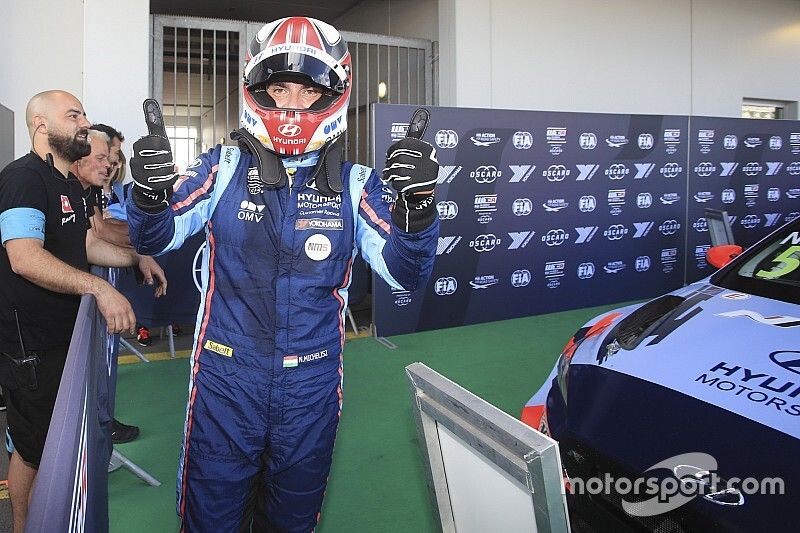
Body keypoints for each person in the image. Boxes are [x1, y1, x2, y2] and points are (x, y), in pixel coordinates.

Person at [127, 16, 439, 532]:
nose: (292, 103)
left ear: (332, 94)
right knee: (211, 518)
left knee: (293, 519)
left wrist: (419, 210)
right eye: (279, 87)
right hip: (227, 377)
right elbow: (154, 238)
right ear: (257, 91)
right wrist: (148, 194)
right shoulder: (222, 165)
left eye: (307, 88)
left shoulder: (357, 182)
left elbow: (406, 273)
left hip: (312, 383)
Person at [0, 90, 139, 533]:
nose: (86, 122)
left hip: (64, 336)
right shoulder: (23, 178)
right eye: (74, 114)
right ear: (41, 126)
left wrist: (139, 259)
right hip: (30, 343)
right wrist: (99, 287)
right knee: (34, 449)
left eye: (85, 113)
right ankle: (22, 525)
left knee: (56, 441)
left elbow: (86, 244)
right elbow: (24, 256)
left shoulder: (67, 184)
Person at [74, 127, 168, 444]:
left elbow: (95, 237)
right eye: (105, 158)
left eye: (113, 160)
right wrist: (145, 240)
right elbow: (97, 234)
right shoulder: (36, 181)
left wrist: (138, 255)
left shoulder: (93, 188)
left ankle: (100, 429)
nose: (111, 166)